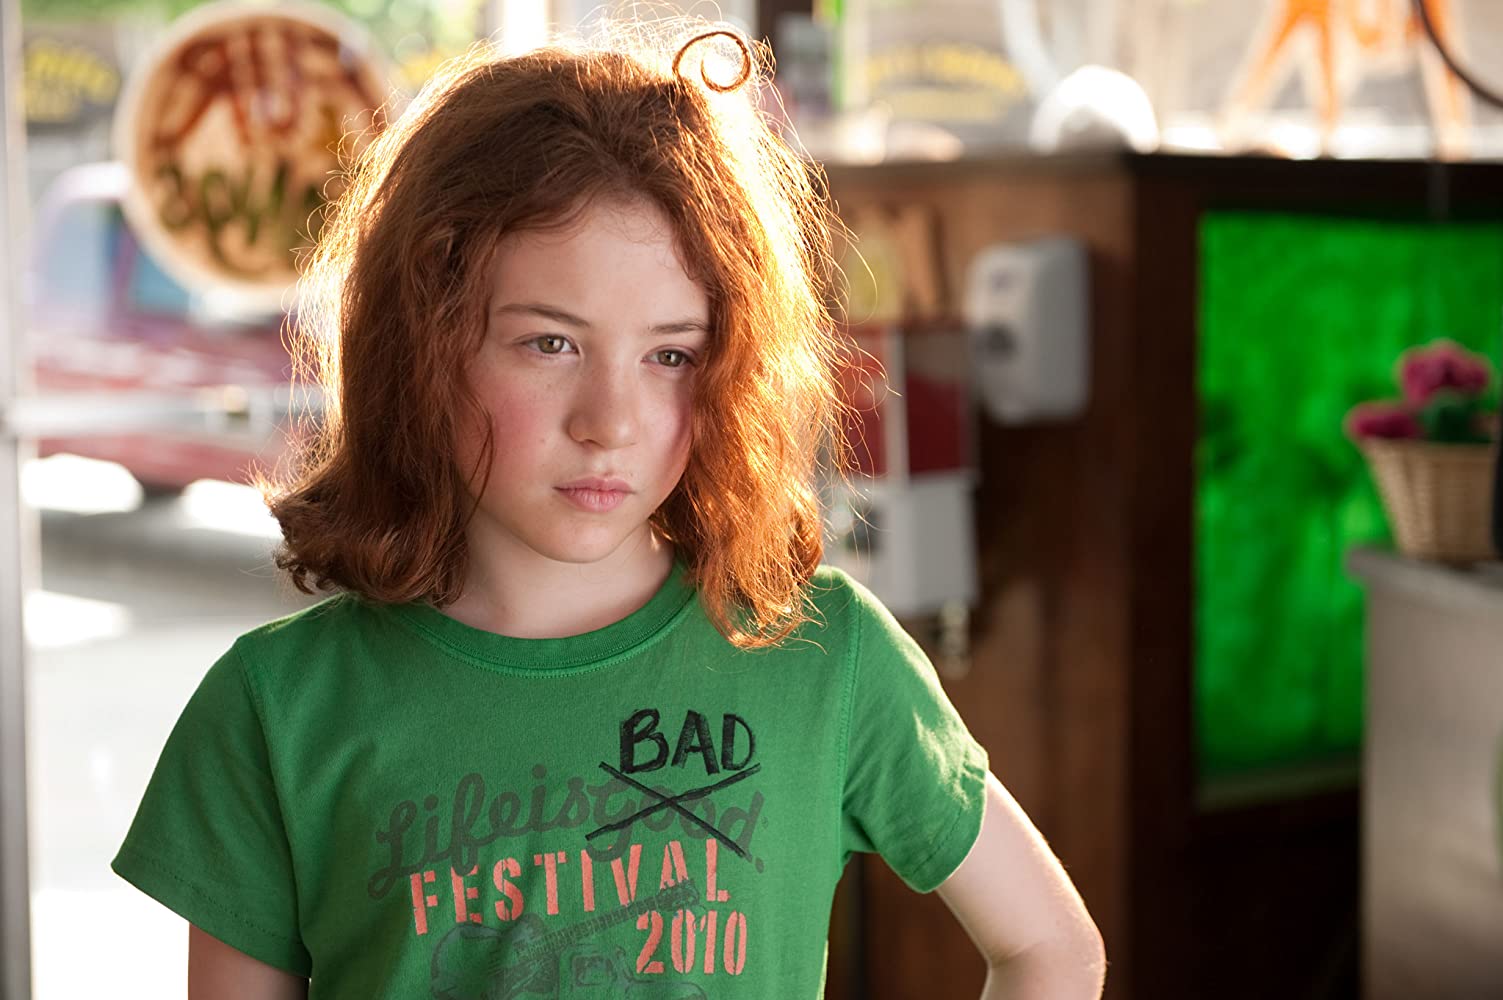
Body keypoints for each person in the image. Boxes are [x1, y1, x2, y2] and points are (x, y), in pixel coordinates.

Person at [112, 19, 1105, 1000]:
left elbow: (1052, 952)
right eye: (550, 343)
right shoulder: (276, 707)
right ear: (421, 345)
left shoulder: (826, 658)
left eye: (671, 355)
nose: (611, 422)